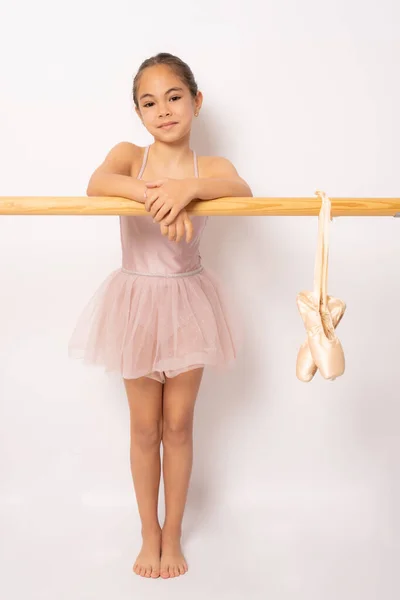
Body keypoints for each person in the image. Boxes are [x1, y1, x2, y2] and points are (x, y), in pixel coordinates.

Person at [69, 52, 252, 579]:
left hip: (187, 302)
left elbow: (241, 190)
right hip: (136, 304)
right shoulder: (130, 156)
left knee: (179, 423)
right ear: (138, 112)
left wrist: (188, 190)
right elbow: (96, 182)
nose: (163, 110)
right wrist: (153, 194)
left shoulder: (209, 169)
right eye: (149, 102)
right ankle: (148, 532)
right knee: (144, 427)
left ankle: (174, 533)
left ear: (196, 102)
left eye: (174, 97)